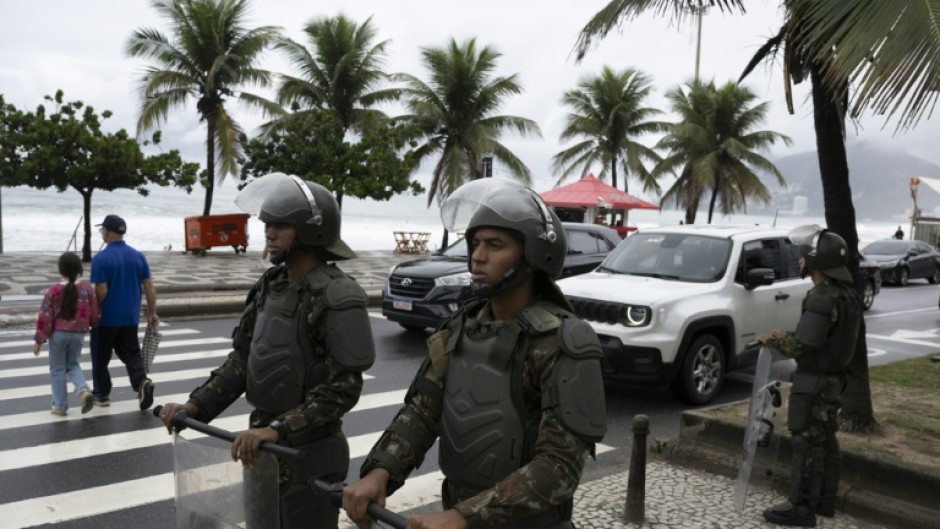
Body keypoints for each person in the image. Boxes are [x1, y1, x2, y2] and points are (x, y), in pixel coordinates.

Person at [343, 179, 608, 529]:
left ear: (531, 258)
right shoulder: (460, 328)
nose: (478, 256)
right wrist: (381, 471)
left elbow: (560, 466)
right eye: (475, 244)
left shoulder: (561, 341)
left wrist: (465, 516)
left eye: (495, 245)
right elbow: (423, 412)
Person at [159, 173, 376, 529]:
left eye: (280, 225)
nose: (269, 233)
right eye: (268, 224)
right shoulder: (270, 286)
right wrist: (195, 406)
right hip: (260, 449)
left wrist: (278, 429)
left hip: (309, 452)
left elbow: (344, 388)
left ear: (311, 231)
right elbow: (243, 361)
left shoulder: (338, 295)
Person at [757, 224, 862, 527]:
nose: (800, 261)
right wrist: (789, 335)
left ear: (817, 261)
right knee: (826, 440)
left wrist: (773, 341)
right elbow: (819, 336)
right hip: (833, 380)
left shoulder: (822, 296)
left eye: (803, 257)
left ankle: (800, 508)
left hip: (814, 382)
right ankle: (825, 501)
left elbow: (804, 344)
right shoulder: (847, 294)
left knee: (806, 443)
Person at [90, 214, 158, 410]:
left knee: (100, 357)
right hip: (130, 316)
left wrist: (93, 311)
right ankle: (141, 382)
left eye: (102, 229)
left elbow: (101, 290)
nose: (102, 232)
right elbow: (149, 286)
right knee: (131, 352)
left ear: (108, 232)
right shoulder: (138, 255)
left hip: (107, 318)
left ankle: (102, 394)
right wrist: (152, 312)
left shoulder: (101, 259)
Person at [33, 252, 99, 416]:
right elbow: (94, 313)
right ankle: (84, 391)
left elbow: (45, 316)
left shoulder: (54, 290)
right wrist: (93, 324)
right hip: (78, 334)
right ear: (79, 270)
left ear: (61, 270)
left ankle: (60, 406)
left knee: (57, 369)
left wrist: (39, 340)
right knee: (73, 365)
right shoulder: (86, 289)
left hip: (59, 334)